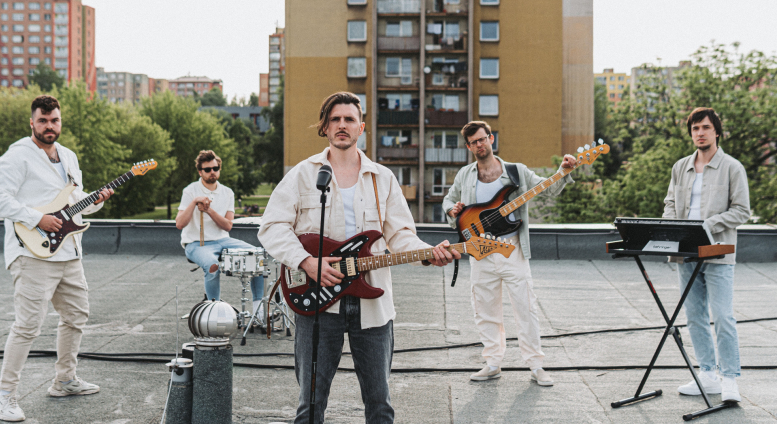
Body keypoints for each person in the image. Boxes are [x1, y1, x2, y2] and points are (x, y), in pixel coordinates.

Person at [259, 92, 459, 424]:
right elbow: (272, 226)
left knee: (380, 404)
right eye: (335, 119)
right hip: (318, 304)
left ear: (361, 127)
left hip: (373, 307)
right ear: (325, 127)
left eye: (349, 119)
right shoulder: (303, 174)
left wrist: (427, 254)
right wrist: (307, 262)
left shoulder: (383, 178)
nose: (342, 125)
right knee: (310, 405)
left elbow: (400, 236)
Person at [0, 95, 114, 422]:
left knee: (77, 316)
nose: (49, 126)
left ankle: (64, 380)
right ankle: (3, 396)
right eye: (42, 121)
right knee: (27, 325)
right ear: (32, 122)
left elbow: (77, 202)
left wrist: (97, 200)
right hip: (32, 252)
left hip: (68, 252)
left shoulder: (68, 157)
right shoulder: (17, 157)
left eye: (54, 120)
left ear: (60, 121)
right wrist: (35, 218)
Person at [442, 121, 575, 386]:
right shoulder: (465, 175)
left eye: (482, 139)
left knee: (525, 307)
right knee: (484, 308)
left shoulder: (516, 172)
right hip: (480, 251)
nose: (479, 145)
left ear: (491, 139)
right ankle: (492, 363)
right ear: (469, 147)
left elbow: (547, 187)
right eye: (473, 143)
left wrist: (563, 170)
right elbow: (448, 200)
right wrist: (451, 211)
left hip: (512, 248)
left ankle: (536, 366)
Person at [663, 107, 750, 402]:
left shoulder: (732, 167)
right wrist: (671, 231)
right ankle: (708, 374)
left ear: (716, 131)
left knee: (723, 316)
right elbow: (670, 203)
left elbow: (742, 210)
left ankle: (730, 379)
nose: (699, 133)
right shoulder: (680, 167)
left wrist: (706, 226)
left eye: (705, 127)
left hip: (719, 252)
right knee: (694, 315)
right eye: (695, 129)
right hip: (685, 252)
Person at [176, 150, 264, 309]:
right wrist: (195, 201)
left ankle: (259, 311)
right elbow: (179, 224)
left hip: (223, 240)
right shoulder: (190, 190)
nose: (212, 173)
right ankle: (214, 311)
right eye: (207, 170)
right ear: (200, 172)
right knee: (212, 265)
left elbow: (228, 225)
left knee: (257, 255)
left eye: (215, 169)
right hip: (196, 243)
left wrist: (209, 210)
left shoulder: (227, 192)